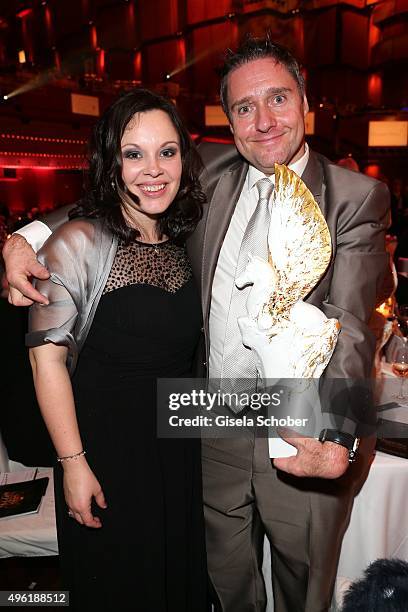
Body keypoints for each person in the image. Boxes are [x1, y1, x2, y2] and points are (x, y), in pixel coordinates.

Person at [2, 37, 390, 612]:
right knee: (219, 580)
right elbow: (114, 193)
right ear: (227, 120)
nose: (263, 122)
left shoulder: (356, 196)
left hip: (296, 427)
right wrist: (26, 237)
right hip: (204, 419)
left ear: (305, 99)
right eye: (243, 107)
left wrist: (333, 433)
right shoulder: (208, 169)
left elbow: (353, 324)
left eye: (278, 99)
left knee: (301, 586)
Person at [21, 89, 208, 611]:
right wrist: (73, 465)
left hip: (177, 454)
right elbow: (46, 360)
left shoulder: (181, 239)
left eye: (166, 152)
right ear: (111, 162)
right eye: (134, 153)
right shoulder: (78, 241)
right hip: (107, 459)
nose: (153, 169)